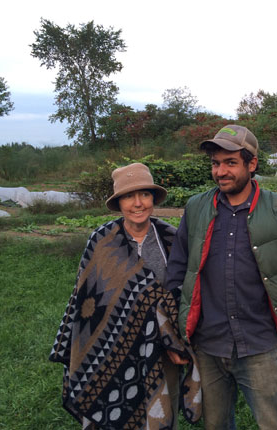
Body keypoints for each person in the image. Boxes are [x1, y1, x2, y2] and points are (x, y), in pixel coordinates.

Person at [166, 125, 277, 430]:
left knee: (276, 423)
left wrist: (271, 298)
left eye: (230, 163)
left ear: (252, 164)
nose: (221, 172)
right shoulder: (196, 208)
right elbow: (178, 267)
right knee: (216, 424)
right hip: (208, 344)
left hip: (259, 343)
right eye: (215, 163)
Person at [49, 163, 201, 429]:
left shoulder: (171, 239)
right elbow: (86, 301)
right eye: (129, 196)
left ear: (153, 198)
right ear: (119, 202)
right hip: (110, 348)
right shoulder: (102, 241)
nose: (138, 203)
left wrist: (177, 343)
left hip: (163, 351)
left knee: (162, 414)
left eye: (144, 194)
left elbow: (184, 296)